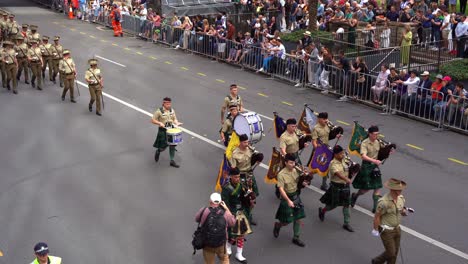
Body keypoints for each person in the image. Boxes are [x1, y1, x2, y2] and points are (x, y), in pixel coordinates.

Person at [273, 153, 311, 247]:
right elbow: (281, 189)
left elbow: (301, 180)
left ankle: (296, 237)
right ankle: (278, 225)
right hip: (287, 198)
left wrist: (305, 181)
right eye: (290, 162)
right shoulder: (281, 174)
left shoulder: (297, 170)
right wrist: (288, 201)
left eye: (294, 162)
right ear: (286, 163)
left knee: (298, 218)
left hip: (296, 196)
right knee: (286, 221)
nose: (293, 164)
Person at [371, 178, 409, 264]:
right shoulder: (383, 202)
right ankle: (377, 261)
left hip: (397, 229)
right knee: (391, 252)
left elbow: (400, 209)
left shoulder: (401, 199)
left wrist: (404, 212)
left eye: (401, 188)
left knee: (394, 253)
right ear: (392, 189)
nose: (401, 190)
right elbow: (377, 216)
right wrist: (375, 229)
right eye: (398, 189)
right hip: (386, 230)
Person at [318, 145, 354, 232]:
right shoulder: (333, 163)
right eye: (341, 153)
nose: (342, 155)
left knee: (346, 204)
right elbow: (338, 174)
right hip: (336, 186)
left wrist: (353, 168)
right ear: (335, 154)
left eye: (343, 153)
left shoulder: (344, 159)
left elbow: (350, 165)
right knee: (333, 205)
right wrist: (346, 179)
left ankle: (346, 223)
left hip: (345, 186)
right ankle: (323, 210)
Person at [351, 125, 386, 213]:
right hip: (367, 166)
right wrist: (374, 161)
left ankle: (375, 208)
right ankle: (355, 195)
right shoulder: (365, 143)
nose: (376, 136)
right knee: (365, 189)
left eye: (377, 134)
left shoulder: (378, 142)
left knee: (377, 187)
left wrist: (389, 151)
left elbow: (383, 150)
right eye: (374, 134)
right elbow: (363, 156)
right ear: (369, 134)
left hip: (375, 167)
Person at [229, 134, 262, 224]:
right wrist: (236, 180)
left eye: (247, 141)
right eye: (244, 142)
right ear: (240, 142)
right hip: (241, 176)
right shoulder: (235, 153)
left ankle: (248, 215)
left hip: (250, 175)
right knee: (243, 199)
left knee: (253, 198)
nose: (247, 144)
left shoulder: (250, 149)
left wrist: (259, 159)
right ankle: (242, 217)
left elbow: (256, 157)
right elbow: (233, 168)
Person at [195, 192, 236, 264]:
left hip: (207, 243)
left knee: (209, 262)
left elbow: (197, 219)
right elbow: (232, 223)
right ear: (220, 202)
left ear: (210, 201)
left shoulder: (204, 210)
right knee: (224, 259)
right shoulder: (225, 213)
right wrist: (226, 209)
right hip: (221, 244)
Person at [221, 168, 252, 263]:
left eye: (238, 177)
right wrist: (230, 214)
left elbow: (244, 197)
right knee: (231, 234)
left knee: (241, 234)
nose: (238, 179)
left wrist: (249, 195)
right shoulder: (226, 188)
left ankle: (239, 253)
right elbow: (224, 202)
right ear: (231, 176)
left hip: (241, 211)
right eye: (235, 177)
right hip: (231, 212)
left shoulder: (242, 185)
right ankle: (228, 248)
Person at [311, 112, 340, 190]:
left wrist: (337, 135)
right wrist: (316, 148)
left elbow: (331, 134)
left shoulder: (328, 125)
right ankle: (308, 177)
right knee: (315, 165)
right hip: (318, 149)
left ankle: (324, 184)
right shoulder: (316, 128)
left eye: (326, 119)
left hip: (326, 149)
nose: (325, 120)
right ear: (319, 119)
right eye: (324, 119)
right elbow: (314, 140)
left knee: (326, 165)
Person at [152, 97, 182, 168]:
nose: (169, 105)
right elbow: (153, 120)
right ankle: (158, 151)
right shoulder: (159, 111)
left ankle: (172, 161)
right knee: (163, 147)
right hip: (163, 131)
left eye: (170, 104)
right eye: (167, 104)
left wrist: (177, 123)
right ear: (164, 103)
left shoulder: (172, 110)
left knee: (172, 145)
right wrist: (159, 123)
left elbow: (174, 119)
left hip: (171, 130)